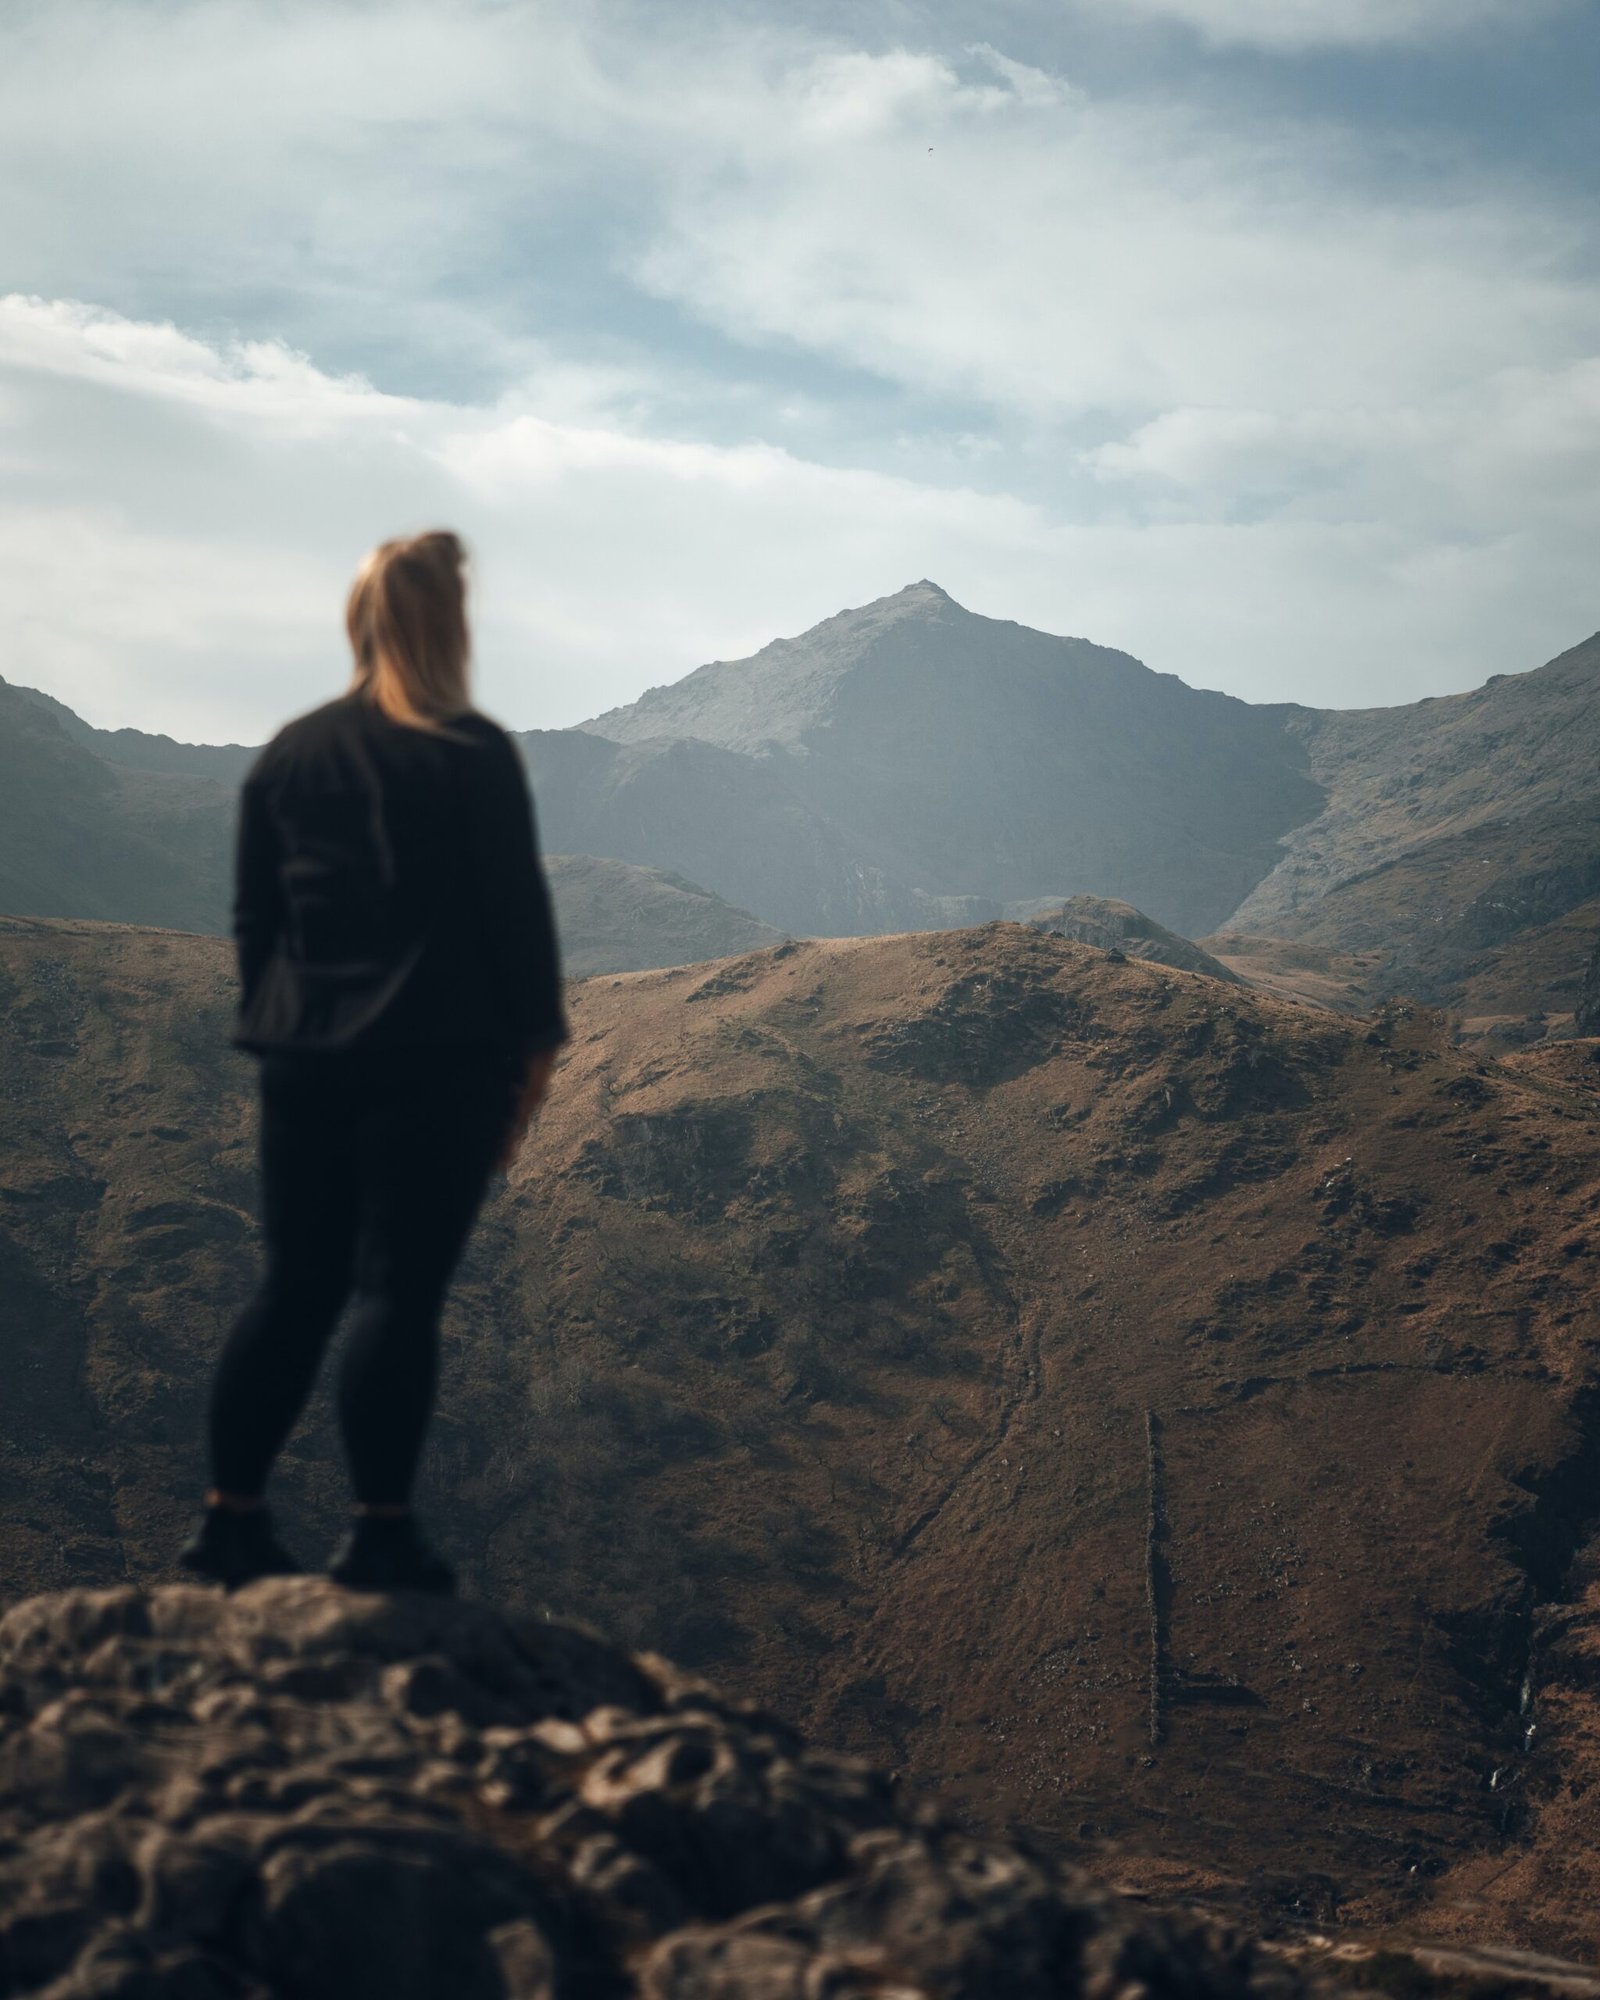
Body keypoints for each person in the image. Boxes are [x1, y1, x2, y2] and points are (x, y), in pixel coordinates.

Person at [179, 530, 566, 1594]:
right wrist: (532, 1056)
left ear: (359, 621)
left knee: (295, 1285)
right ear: (450, 624)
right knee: (397, 1293)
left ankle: (229, 1520)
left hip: (301, 1058)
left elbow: (256, 920)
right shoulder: (472, 752)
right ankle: (381, 1531)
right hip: (438, 1059)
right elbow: (516, 921)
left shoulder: (291, 752)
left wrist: (280, 1022)